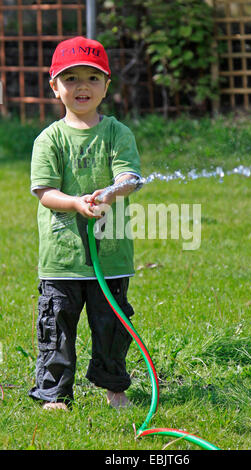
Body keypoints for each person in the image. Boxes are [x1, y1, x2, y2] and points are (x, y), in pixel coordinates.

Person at [29, 36, 141, 410]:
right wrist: (75, 203)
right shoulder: (49, 140)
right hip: (62, 258)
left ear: (106, 86)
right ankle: (53, 393)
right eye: (71, 77)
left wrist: (111, 193)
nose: (82, 86)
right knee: (57, 327)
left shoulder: (117, 133)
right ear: (54, 87)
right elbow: (44, 192)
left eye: (93, 78)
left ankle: (114, 388)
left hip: (111, 256)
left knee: (111, 327)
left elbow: (129, 178)